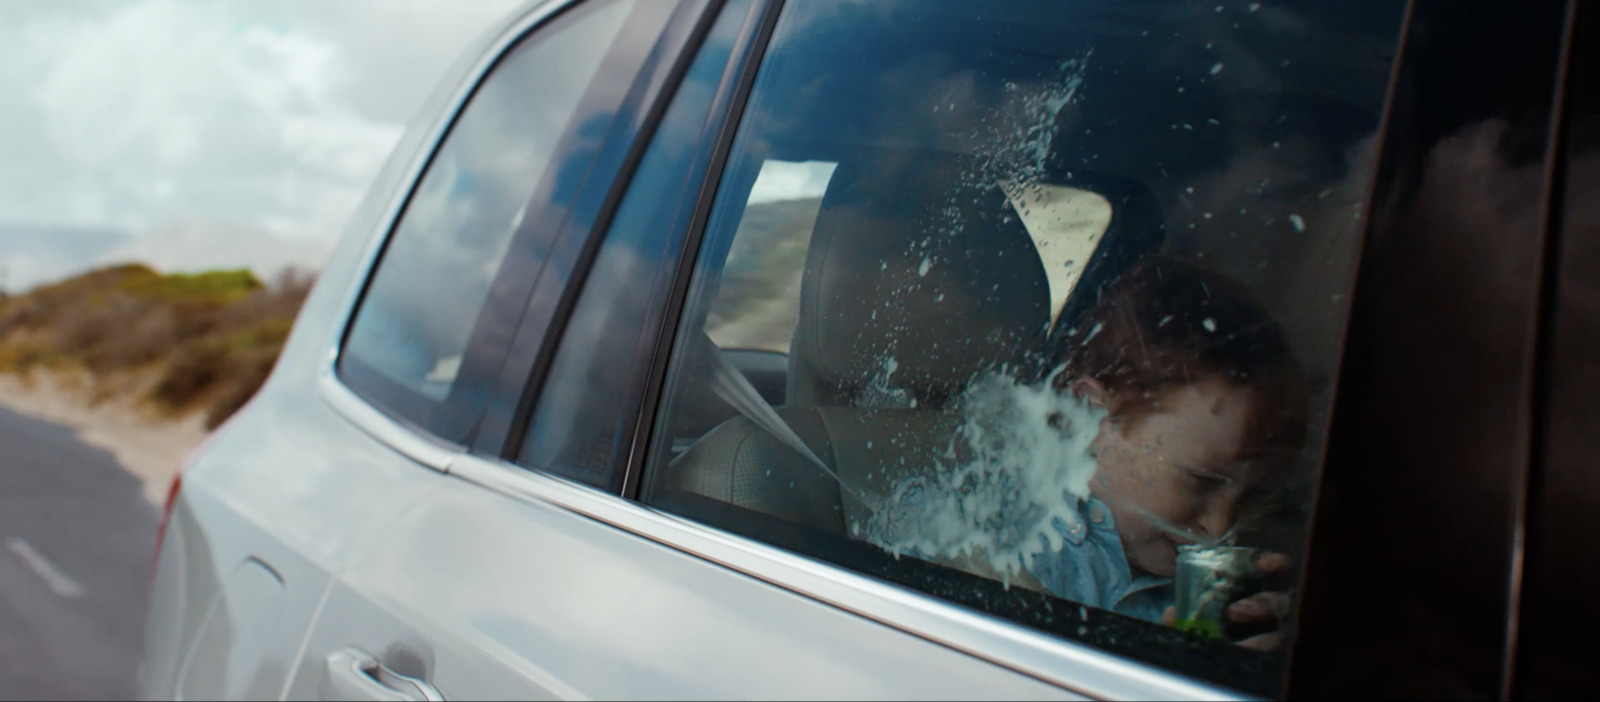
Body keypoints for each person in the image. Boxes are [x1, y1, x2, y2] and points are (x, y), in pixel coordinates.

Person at [1020, 254, 1309, 651]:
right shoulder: (1002, 549)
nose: (1222, 528)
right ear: (1088, 416)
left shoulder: (1202, 594)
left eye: (1253, 498)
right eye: (1201, 481)